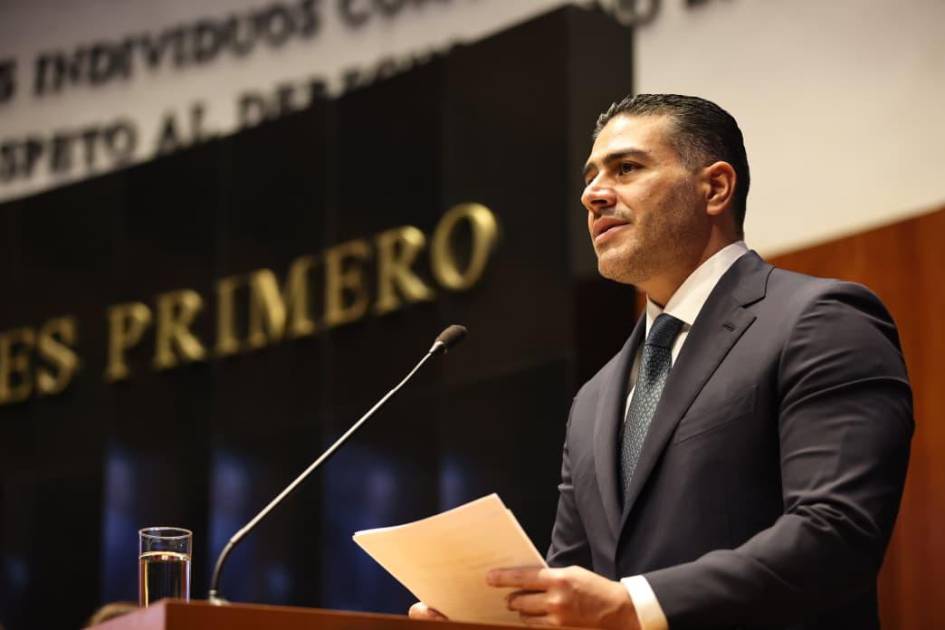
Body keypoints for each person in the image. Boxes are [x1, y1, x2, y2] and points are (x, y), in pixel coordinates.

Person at [410, 94, 913, 629]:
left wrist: (635, 606)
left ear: (715, 188)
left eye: (626, 168)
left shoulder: (818, 320)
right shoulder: (594, 398)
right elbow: (578, 587)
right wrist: (492, 618)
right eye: (590, 177)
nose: (593, 195)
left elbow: (837, 533)